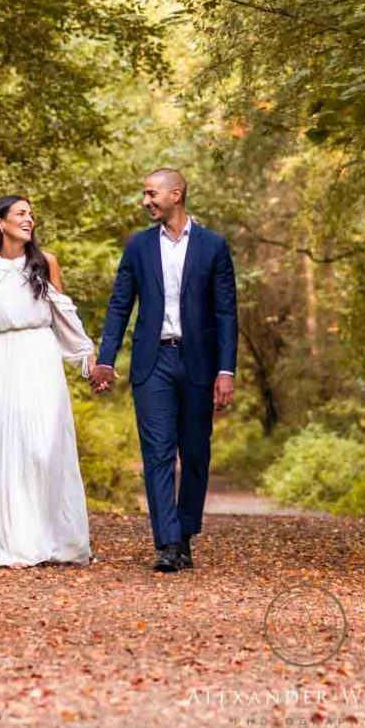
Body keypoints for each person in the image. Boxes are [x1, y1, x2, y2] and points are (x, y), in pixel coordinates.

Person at [89, 169, 238, 573]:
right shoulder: (137, 247)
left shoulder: (213, 246)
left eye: (152, 194)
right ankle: (168, 543)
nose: (146, 201)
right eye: (145, 194)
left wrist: (226, 370)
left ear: (176, 194)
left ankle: (185, 532)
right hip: (152, 362)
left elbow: (226, 313)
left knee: (195, 452)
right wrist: (106, 358)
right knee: (156, 454)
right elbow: (120, 305)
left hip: (199, 363)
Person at [0, 195, 97, 569]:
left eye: (31, 215)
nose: (29, 220)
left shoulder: (46, 263)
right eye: (21, 214)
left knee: (44, 445)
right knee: (10, 445)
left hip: (40, 356)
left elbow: (65, 318)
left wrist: (88, 363)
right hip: (0, 359)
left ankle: (56, 540)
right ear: (0, 222)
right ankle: (14, 543)